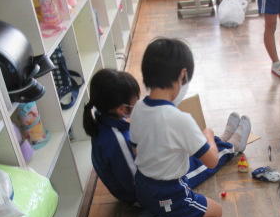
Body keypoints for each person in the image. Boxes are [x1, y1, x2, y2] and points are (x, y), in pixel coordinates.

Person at [131, 38, 252, 217]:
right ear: (183, 75)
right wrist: (208, 135)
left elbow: (136, 147)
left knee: (161, 198)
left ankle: (151, 215)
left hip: (142, 187)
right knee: (216, 215)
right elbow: (211, 161)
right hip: (170, 192)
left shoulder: (138, 108)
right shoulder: (180, 119)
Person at [83, 68, 237, 206]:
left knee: (182, 147)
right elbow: (134, 182)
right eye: (135, 102)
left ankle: (219, 141)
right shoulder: (116, 141)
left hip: (145, 177)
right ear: (122, 109)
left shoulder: (105, 120)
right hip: (148, 193)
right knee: (195, 160)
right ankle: (231, 147)